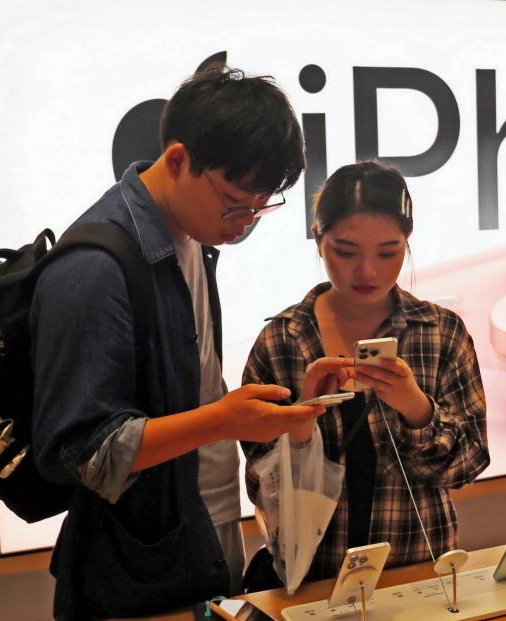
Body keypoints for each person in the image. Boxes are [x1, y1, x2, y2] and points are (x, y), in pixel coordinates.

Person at [30, 67, 324, 620]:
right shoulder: (95, 267)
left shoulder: (191, 236)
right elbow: (83, 454)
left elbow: (186, 393)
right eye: (235, 203)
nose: (244, 225)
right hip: (135, 576)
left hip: (201, 540)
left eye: (261, 209)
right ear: (178, 159)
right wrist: (223, 420)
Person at [241, 161, 490, 587]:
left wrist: (416, 408)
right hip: (312, 582)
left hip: (417, 576)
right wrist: (302, 423)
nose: (368, 271)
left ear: (407, 243)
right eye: (346, 251)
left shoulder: (440, 333)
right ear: (318, 239)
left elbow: (467, 466)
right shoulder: (283, 341)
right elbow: (264, 491)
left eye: (388, 252)